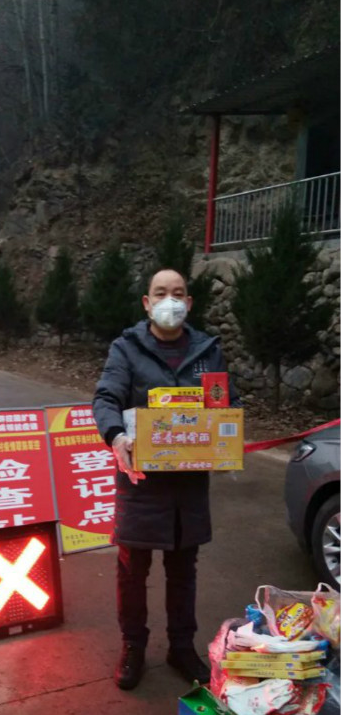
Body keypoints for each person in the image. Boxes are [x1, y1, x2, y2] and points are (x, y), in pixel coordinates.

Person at [92, 269, 241, 690]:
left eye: (178, 293)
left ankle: (181, 647)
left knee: (183, 570)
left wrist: (227, 440)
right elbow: (106, 397)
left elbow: (228, 403)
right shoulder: (126, 348)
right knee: (131, 569)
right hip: (141, 481)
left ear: (189, 303)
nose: (169, 301)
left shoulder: (208, 350)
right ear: (147, 302)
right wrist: (116, 436)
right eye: (160, 293)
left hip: (187, 485)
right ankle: (133, 645)